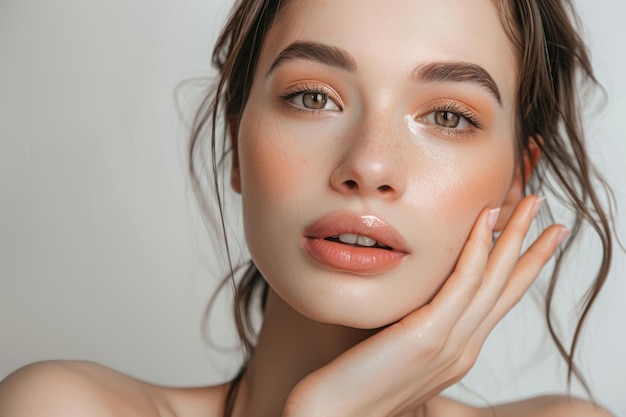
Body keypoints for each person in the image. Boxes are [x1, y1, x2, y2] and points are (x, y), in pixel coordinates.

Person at [0, 0, 617, 416]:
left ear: (516, 181)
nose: (369, 165)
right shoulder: (60, 406)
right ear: (237, 145)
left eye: (447, 116)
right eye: (313, 97)